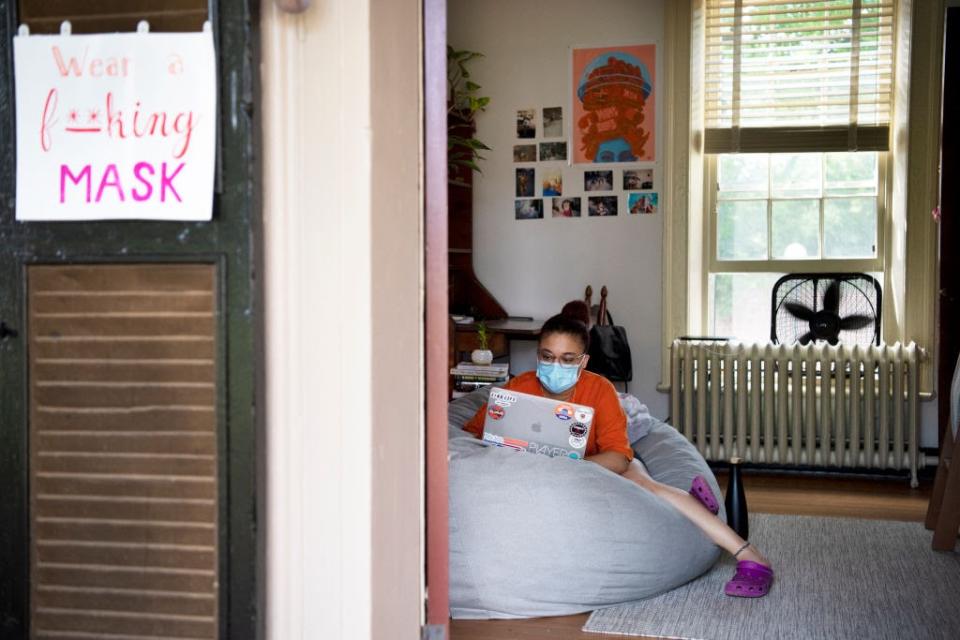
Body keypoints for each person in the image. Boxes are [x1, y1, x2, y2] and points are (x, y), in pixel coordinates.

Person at [463, 304, 774, 598]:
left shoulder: (599, 389)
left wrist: (573, 464)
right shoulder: (517, 387)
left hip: (599, 462)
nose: (555, 365)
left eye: (568, 359)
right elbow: (473, 433)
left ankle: (751, 557)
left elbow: (618, 456)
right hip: (539, 467)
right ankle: (690, 496)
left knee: (644, 482)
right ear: (537, 355)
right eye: (547, 356)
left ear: (583, 361)